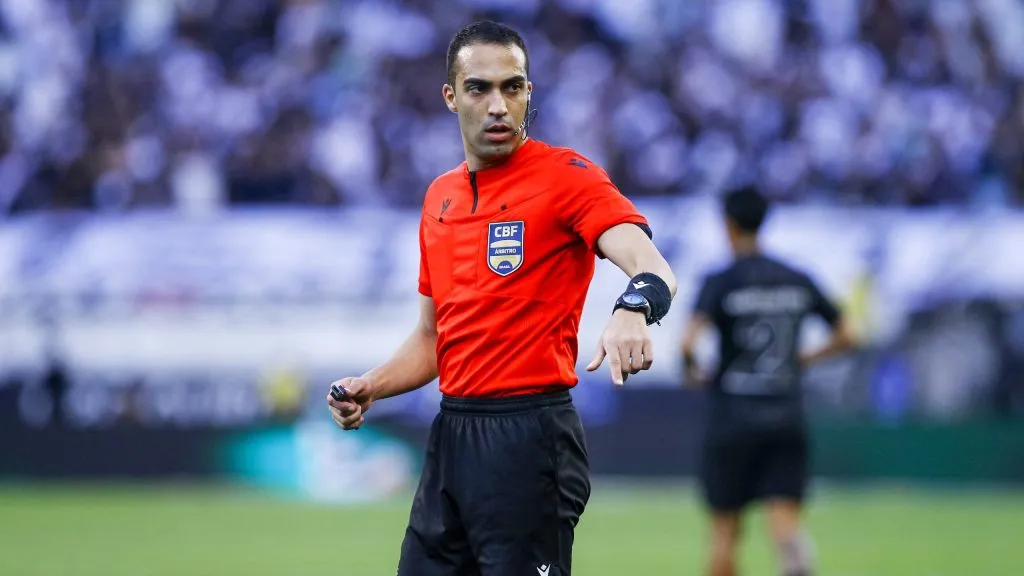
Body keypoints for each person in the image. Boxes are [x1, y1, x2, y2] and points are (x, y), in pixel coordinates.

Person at [326, 20, 677, 576]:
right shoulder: (439, 198)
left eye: (512, 87)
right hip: (452, 437)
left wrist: (633, 308)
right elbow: (433, 337)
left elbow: (652, 265)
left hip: (530, 436)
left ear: (528, 94)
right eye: (479, 88)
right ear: (450, 97)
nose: (498, 105)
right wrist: (373, 385)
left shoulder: (568, 179)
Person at [680, 186, 855, 576]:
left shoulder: (722, 280)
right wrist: (805, 358)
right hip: (785, 412)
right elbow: (848, 334)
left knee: (725, 531)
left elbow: (688, 341)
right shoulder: (795, 277)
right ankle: (795, 558)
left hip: (732, 415)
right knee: (784, 521)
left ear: (727, 225)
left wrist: (694, 371)